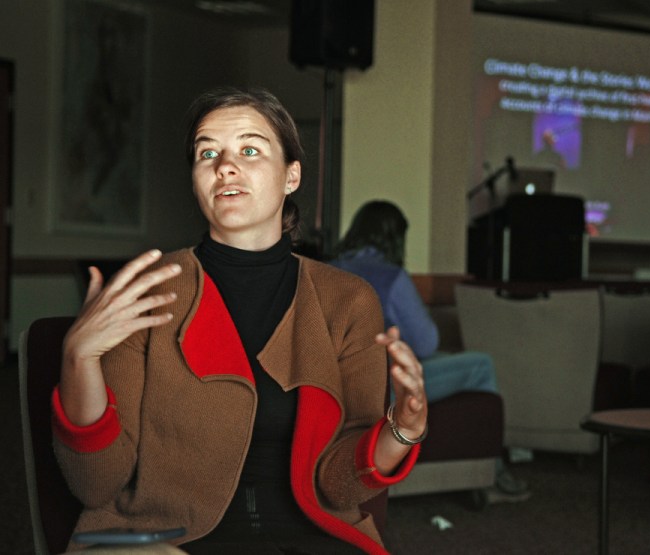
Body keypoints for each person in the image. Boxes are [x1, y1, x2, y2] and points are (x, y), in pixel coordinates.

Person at [52, 87, 428, 555]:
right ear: (195, 179)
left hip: (309, 539)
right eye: (207, 152)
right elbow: (96, 485)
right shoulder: (147, 290)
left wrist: (402, 429)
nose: (224, 166)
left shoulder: (348, 300)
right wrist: (78, 357)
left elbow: (340, 486)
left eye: (250, 150)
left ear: (292, 176)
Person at [331, 200, 530, 502]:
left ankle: (498, 458)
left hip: (338, 383)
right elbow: (426, 343)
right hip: (384, 386)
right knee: (481, 364)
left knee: (448, 361)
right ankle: (493, 472)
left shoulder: (326, 270)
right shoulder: (390, 276)